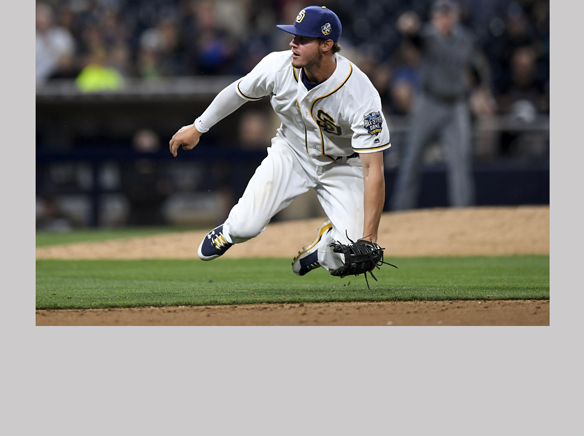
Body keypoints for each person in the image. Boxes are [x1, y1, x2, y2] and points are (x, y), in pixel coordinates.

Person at [169, 5, 391, 277]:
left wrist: (370, 237)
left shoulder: (360, 94)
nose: (292, 43)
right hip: (292, 154)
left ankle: (322, 249)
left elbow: (373, 169)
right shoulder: (278, 66)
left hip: (342, 166)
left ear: (326, 45)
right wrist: (198, 127)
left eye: (302, 39)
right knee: (244, 228)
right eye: (293, 36)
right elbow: (236, 92)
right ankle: (228, 231)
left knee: (351, 250)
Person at [390, 0, 495, 211]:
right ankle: (401, 210)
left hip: (456, 104)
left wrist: (482, 93)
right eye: (440, 15)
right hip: (429, 103)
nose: (444, 20)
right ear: (434, 17)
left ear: (455, 17)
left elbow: (475, 69)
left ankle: (463, 213)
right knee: (412, 159)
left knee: (460, 162)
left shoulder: (465, 38)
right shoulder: (428, 36)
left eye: (448, 15)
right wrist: (408, 29)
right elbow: (414, 38)